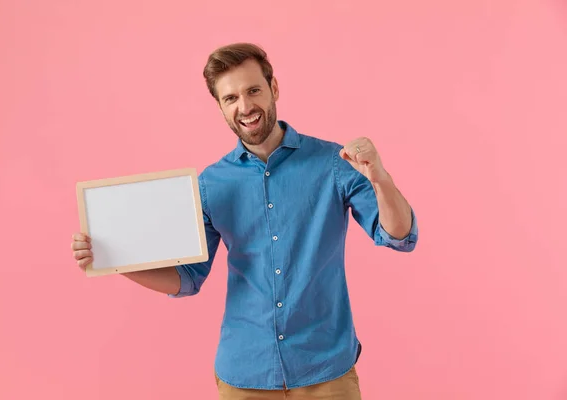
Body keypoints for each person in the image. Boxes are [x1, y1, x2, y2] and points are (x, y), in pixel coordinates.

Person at [71, 42, 419, 399]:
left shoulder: (333, 163)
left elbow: (399, 235)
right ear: (220, 107)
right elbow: (187, 278)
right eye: (230, 98)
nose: (245, 106)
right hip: (245, 375)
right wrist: (115, 259)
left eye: (253, 90)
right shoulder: (210, 185)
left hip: (326, 373)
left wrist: (379, 178)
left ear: (274, 89)